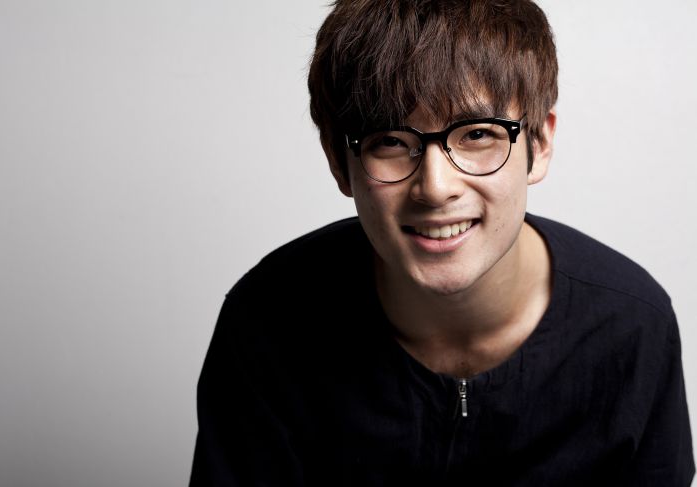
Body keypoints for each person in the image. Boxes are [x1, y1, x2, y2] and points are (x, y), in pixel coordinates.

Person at [189, 0, 694, 485]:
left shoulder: (632, 327)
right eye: (390, 141)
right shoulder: (267, 320)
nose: (435, 188)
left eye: (477, 134)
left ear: (538, 145)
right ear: (339, 163)